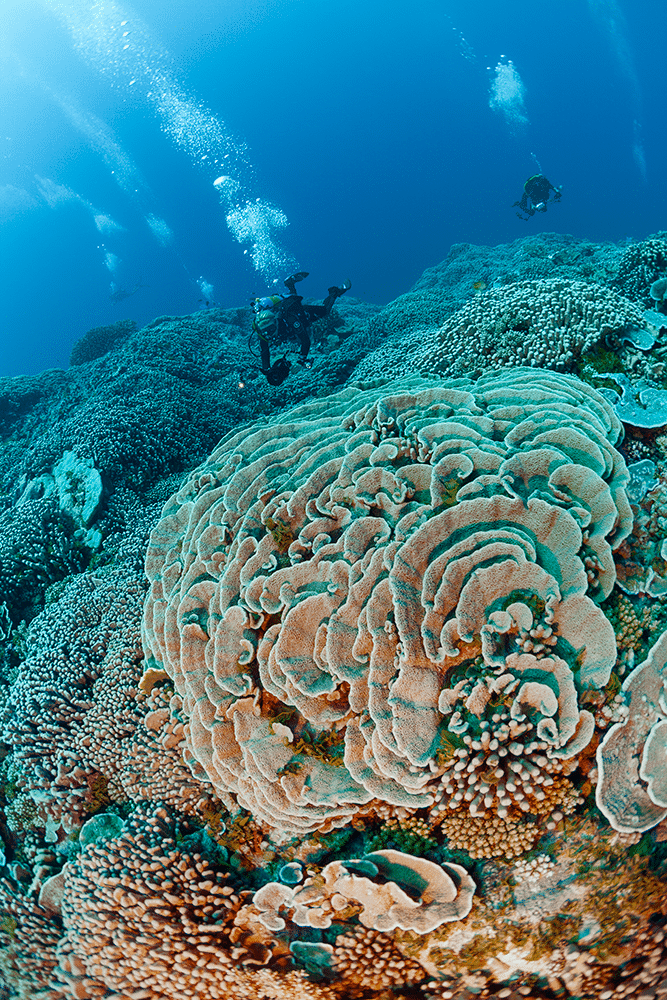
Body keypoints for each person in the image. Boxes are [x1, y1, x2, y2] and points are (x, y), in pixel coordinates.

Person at [250, 272, 351, 385]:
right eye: (266, 331)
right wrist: (267, 369)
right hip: (287, 318)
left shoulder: (291, 320)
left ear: (276, 322)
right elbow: (264, 351)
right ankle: (290, 284)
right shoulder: (262, 332)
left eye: (272, 329)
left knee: (325, 311)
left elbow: (305, 340)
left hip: (301, 314)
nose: (270, 334)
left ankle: (334, 292)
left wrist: (301, 360)